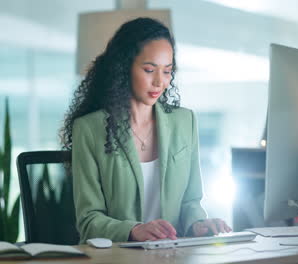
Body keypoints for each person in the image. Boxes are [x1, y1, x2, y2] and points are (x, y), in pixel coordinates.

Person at [60, 17, 231, 243]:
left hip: (173, 255)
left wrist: (197, 224)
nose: (160, 82)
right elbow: (89, 220)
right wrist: (133, 230)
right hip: (117, 256)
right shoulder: (90, 129)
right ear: (124, 68)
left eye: (167, 71)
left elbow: (191, 201)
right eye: (149, 70)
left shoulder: (184, 121)